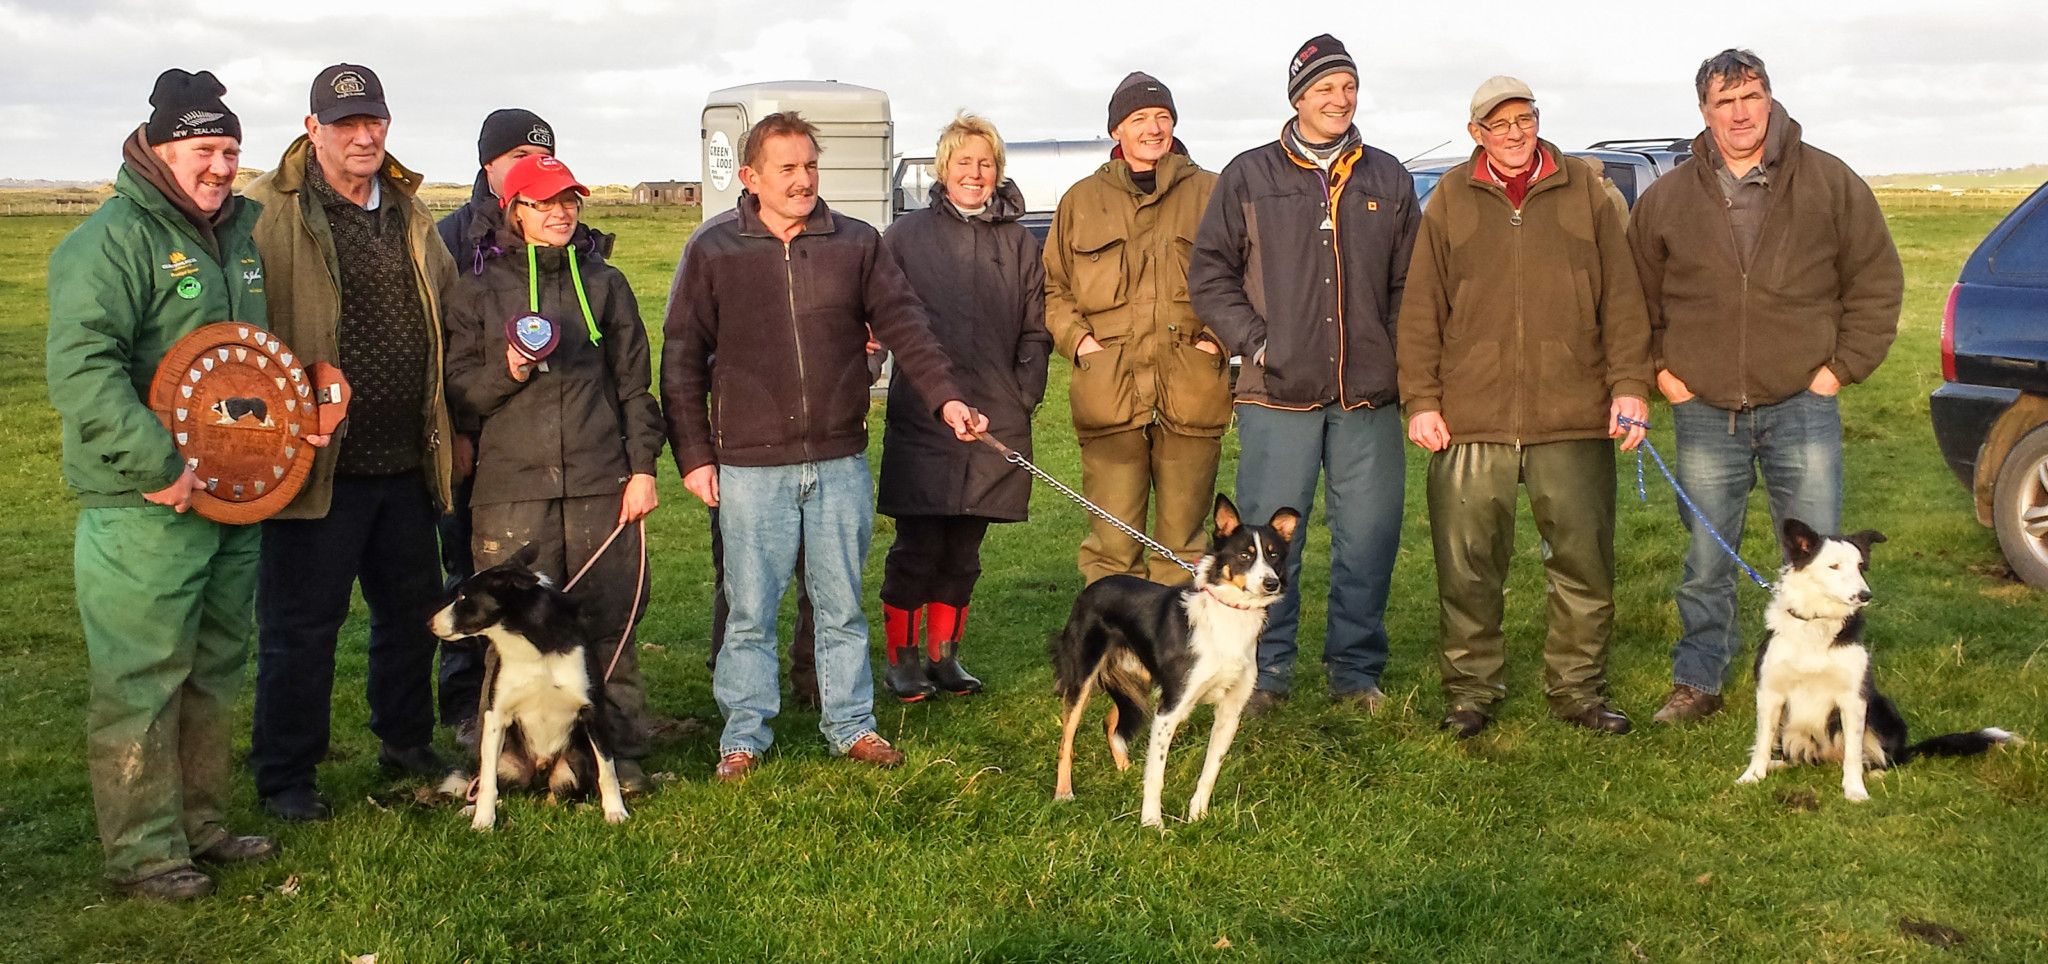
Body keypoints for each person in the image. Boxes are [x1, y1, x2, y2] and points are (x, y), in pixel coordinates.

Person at [662, 112, 987, 782]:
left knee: (840, 604)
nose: (804, 179)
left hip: (837, 459)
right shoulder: (713, 249)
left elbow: (906, 324)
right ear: (751, 178)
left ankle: (852, 726)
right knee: (750, 610)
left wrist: (946, 397)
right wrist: (695, 456)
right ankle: (743, 736)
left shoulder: (857, 243)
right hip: (750, 465)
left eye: (810, 165)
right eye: (787, 168)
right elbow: (681, 359)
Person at [46, 69, 281, 898]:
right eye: (205, 149)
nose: (221, 166)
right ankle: (144, 853)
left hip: (229, 496)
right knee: (143, 674)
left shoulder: (237, 235)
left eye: (230, 150)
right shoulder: (111, 241)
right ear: (159, 148)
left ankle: (201, 826)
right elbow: (82, 368)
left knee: (215, 665)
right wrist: (159, 468)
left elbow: (249, 359)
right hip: (143, 503)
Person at [1628, 49, 1902, 724]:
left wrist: (1838, 370)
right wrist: (1664, 373)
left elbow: (1875, 280)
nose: (1741, 112)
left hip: (1802, 404)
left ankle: (1826, 686)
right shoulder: (1667, 198)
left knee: (1823, 563)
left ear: (1770, 98)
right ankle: (1699, 680)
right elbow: (1637, 298)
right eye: (1725, 102)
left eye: (1750, 96)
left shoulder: (1829, 182)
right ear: (1704, 112)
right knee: (1703, 559)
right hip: (1703, 411)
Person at [1397, 77, 1654, 739]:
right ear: (1476, 132)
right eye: (1499, 123)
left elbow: (1623, 303)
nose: (1515, 133)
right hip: (1469, 419)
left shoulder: (1589, 196)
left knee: (1582, 564)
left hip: (1572, 416)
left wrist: (1630, 386)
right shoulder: (1449, 199)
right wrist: (1422, 401)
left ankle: (1576, 691)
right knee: (1468, 568)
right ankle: (1470, 693)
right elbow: (1422, 310)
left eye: (1525, 119)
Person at [242, 64, 460, 821]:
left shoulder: (409, 209)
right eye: (344, 124)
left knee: (412, 615)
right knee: (302, 628)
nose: (364, 135)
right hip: (315, 463)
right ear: (312, 130)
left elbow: (447, 312)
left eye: (374, 120)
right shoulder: (266, 213)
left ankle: (405, 740)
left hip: (405, 459)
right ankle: (286, 775)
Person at [1189, 35, 1417, 715]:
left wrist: (1397, 353)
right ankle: (1269, 670)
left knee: (1369, 537)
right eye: (1324, 87)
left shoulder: (1388, 178)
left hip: (1368, 396)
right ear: (1297, 97)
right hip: (1276, 396)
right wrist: (1254, 342)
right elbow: (1210, 272)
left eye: (1347, 85)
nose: (1339, 98)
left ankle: (1355, 671)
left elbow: (1412, 283)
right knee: (1265, 540)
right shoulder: (1250, 175)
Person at [442, 154, 664, 795]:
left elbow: (634, 389)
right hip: (512, 492)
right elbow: (459, 396)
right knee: (507, 631)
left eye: (569, 200)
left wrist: (642, 468)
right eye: (543, 202)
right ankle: (500, 764)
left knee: (609, 622)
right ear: (512, 208)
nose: (560, 212)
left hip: (601, 482)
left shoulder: (608, 284)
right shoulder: (476, 290)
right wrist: (507, 370)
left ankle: (617, 757)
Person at [432, 108, 616, 747]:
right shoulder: (455, 243)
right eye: (518, 160)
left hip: (584, 461)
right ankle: (475, 724)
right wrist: (472, 414)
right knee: (483, 591)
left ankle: (597, 736)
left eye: (549, 167)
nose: (551, 200)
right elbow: (454, 373)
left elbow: (625, 375)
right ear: (494, 175)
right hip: (493, 461)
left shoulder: (595, 269)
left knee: (586, 604)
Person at [876, 112, 1051, 700]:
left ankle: (944, 656)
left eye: (985, 162)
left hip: (996, 415)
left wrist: (1022, 395)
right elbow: (881, 321)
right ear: (942, 168)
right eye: (963, 162)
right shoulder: (905, 238)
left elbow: (1036, 329)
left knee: (964, 548)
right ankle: (901, 658)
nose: (975, 173)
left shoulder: (1019, 242)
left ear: (998, 170)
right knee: (918, 544)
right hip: (924, 418)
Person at [1043, 72, 1228, 587]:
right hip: (1109, 394)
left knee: (1184, 549)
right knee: (1112, 551)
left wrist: (1218, 340)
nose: (1154, 128)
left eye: (1163, 118)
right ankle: (1113, 667)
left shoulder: (1213, 192)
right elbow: (1052, 289)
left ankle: (1176, 663)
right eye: (1140, 119)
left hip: (1191, 391)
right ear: (1116, 130)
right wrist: (1079, 342)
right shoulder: (1080, 201)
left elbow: (1248, 277)